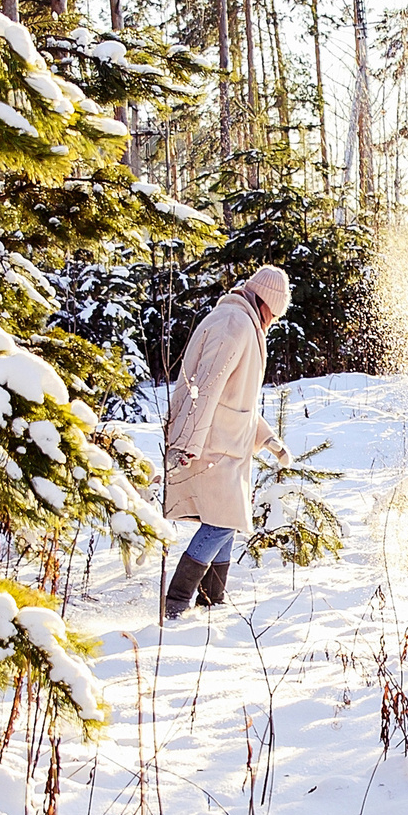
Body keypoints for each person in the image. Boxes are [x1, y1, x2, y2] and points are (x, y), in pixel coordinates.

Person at [159, 265, 295, 620]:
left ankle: (212, 600)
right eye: (274, 314)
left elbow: (239, 399)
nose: (272, 322)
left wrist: (268, 439)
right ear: (264, 303)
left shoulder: (244, 322)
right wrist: (186, 442)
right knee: (221, 522)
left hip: (227, 444)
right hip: (212, 445)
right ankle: (175, 603)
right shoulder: (233, 324)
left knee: (228, 520)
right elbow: (204, 387)